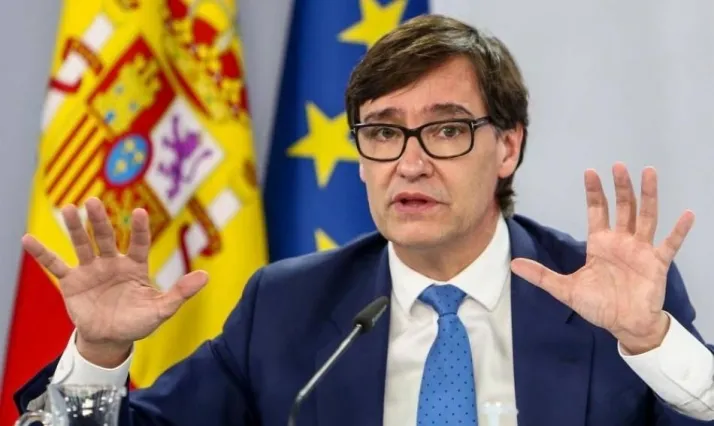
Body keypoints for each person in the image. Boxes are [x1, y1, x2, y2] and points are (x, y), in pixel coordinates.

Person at [13, 14, 714, 426]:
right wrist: (99, 354)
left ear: (508, 147)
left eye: (446, 130)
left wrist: (650, 340)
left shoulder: (603, 301)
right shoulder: (286, 308)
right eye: (382, 132)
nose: (409, 163)